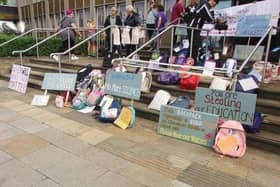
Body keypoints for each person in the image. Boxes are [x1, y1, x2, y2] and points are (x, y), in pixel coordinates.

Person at [187, 0, 220, 65]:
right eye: (215, 4)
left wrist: (215, 20)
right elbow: (209, 17)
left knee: (194, 45)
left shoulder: (208, 7)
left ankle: (189, 61)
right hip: (193, 27)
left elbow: (210, 18)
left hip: (196, 28)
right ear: (213, 1)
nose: (214, 6)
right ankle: (192, 62)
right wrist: (214, 20)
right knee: (195, 45)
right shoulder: (204, 4)